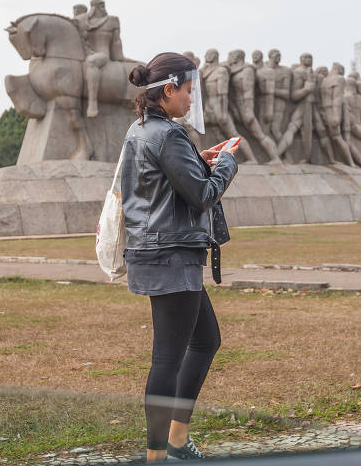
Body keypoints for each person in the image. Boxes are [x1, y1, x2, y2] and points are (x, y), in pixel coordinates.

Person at [123, 52, 240, 463]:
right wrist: (225, 164)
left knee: (206, 340)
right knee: (167, 359)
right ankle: (156, 456)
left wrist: (199, 159)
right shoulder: (168, 135)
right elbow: (203, 195)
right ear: (168, 90)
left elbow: (160, 183)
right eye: (189, 91)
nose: (192, 100)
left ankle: (176, 437)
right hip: (170, 256)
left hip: (157, 253)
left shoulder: (139, 131)